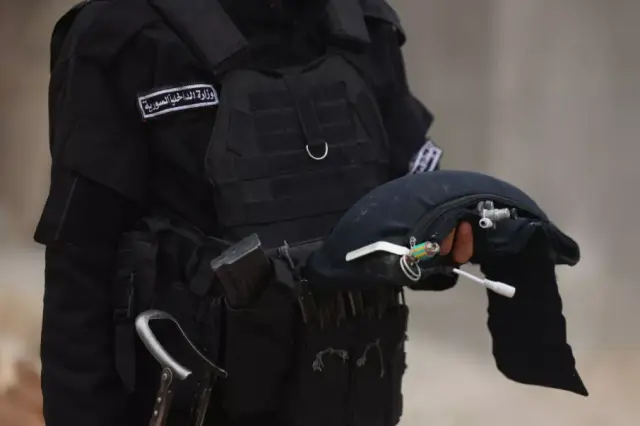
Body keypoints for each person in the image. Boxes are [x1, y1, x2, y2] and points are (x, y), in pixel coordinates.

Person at [34, 0, 475, 425]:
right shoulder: (127, 33)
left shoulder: (362, 26)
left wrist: (450, 238)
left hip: (350, 397)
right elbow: (81, 272)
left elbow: (415, 211)